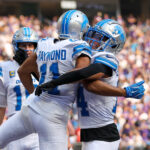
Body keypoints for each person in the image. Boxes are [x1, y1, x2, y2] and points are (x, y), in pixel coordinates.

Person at [34, 19, 145, 150]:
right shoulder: (85, 57)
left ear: (114, 45)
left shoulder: (107, 58)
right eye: (93, 35)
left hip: (103, 133)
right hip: (89, 133)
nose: (93, 39)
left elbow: (84, 76)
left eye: (100, 38)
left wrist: (54, 81)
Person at [0, 10, 91, 150]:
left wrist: (35, 92)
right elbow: (81, 72)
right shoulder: (79, 47)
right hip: (52, 116)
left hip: (30, 108)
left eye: (30, 45)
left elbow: (22, 71)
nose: (27, 49)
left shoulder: (45, 43)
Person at [0, 27, 39, 149]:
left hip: (38, 128)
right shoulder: (5, 67)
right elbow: (1, 106)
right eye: (23, 45)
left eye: (30, 45)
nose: (28, 49)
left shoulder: (42, 68)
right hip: (14, 127)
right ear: (16, 46)